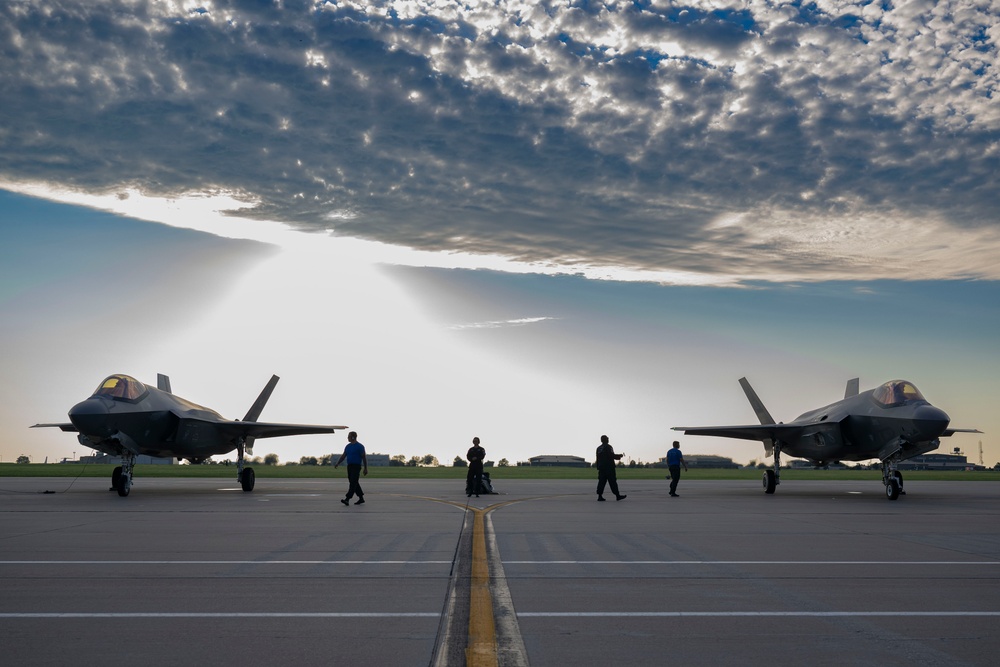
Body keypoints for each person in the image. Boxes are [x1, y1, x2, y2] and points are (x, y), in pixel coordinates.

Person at [334, 431, 368, 505]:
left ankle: (347, 499)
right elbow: (343, 456)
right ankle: (361, 498)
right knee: (354, 482)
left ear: (353, 437)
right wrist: (338, 463)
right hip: (350, 466)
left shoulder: (360, 446)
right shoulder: (348, 446)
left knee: (353, 483)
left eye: (349, 436)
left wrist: (365, 468)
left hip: (356, 466)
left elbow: (364, 457)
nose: (347, 438)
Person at [595, 435, 626, 501]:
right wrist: (619, 456)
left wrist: (598, 467)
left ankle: (600, 496)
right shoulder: (609, 447)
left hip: (601, 468)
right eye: (607, 438)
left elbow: (597, 458)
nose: (608, 439)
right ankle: (617, 495)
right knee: (613, 481)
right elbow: (611, 455)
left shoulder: (598, 448)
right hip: (609, 468)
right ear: (606, 440)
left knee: (601, 482)